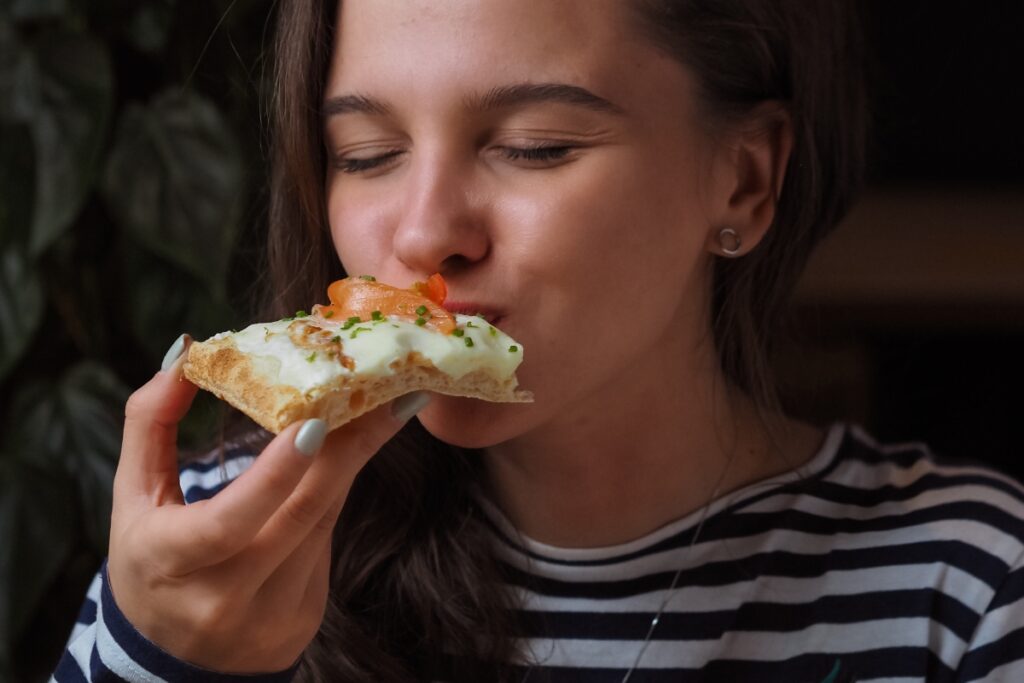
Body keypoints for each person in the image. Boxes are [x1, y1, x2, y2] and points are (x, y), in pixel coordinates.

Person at [53, 0, 1024, 681]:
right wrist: (166, 662)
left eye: (535, 145)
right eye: (367, 155)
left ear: (744, 180)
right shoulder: (213, 550)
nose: (425, 233)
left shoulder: (970, 589)